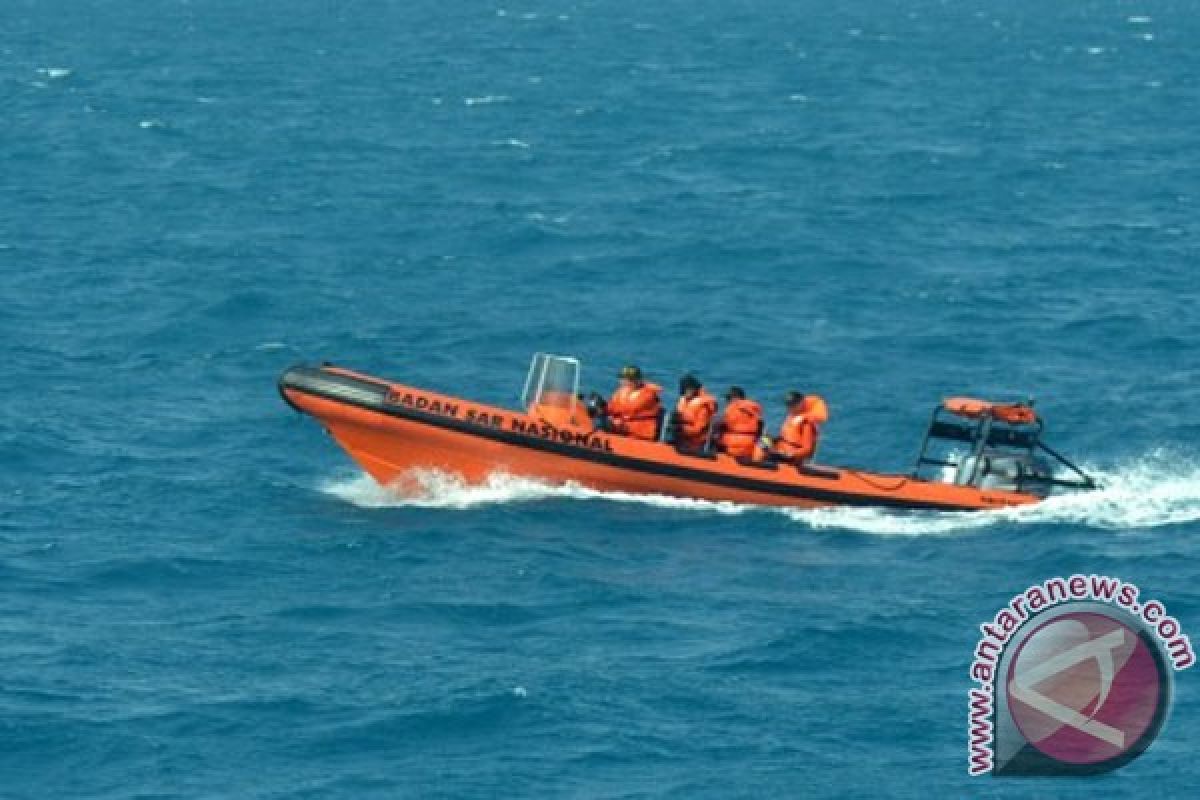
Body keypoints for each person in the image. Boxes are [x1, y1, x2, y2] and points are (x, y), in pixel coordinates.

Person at [770, 390, 829, 464]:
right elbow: (786, 438)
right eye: (788, 404)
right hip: (781, 452)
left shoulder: (806, 423)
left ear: (801, 403)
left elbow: (807, 449)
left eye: (793, 404)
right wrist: (772, 441)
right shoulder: (791, 418)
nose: (790, 407)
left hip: (793, 459)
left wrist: (791, 454)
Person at [607, 365, 662, 441]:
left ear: (637, 380)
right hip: (622, 428)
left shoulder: (648, 394)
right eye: (623, 379)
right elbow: (611, 408)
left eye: (628, 379)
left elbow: (631, 410)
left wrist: (616, 420)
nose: (624, 382)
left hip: (639, 431)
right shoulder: (621, 392)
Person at [673, 374, 718, 452]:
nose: (685, 393)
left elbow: (698, 429)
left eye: (687, 390)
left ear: (694, 389)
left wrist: (681, 428)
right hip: (682, 438)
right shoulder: (683, 400)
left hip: (696, 442)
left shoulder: (704, 406)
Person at [717, 386, 763, 459]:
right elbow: (760, 429)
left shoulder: (732, 408)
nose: (727, 401)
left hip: (733, 447)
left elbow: (720, 425)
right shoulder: (754, 409)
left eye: (728, 398)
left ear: (735, 398)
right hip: (749, 448)